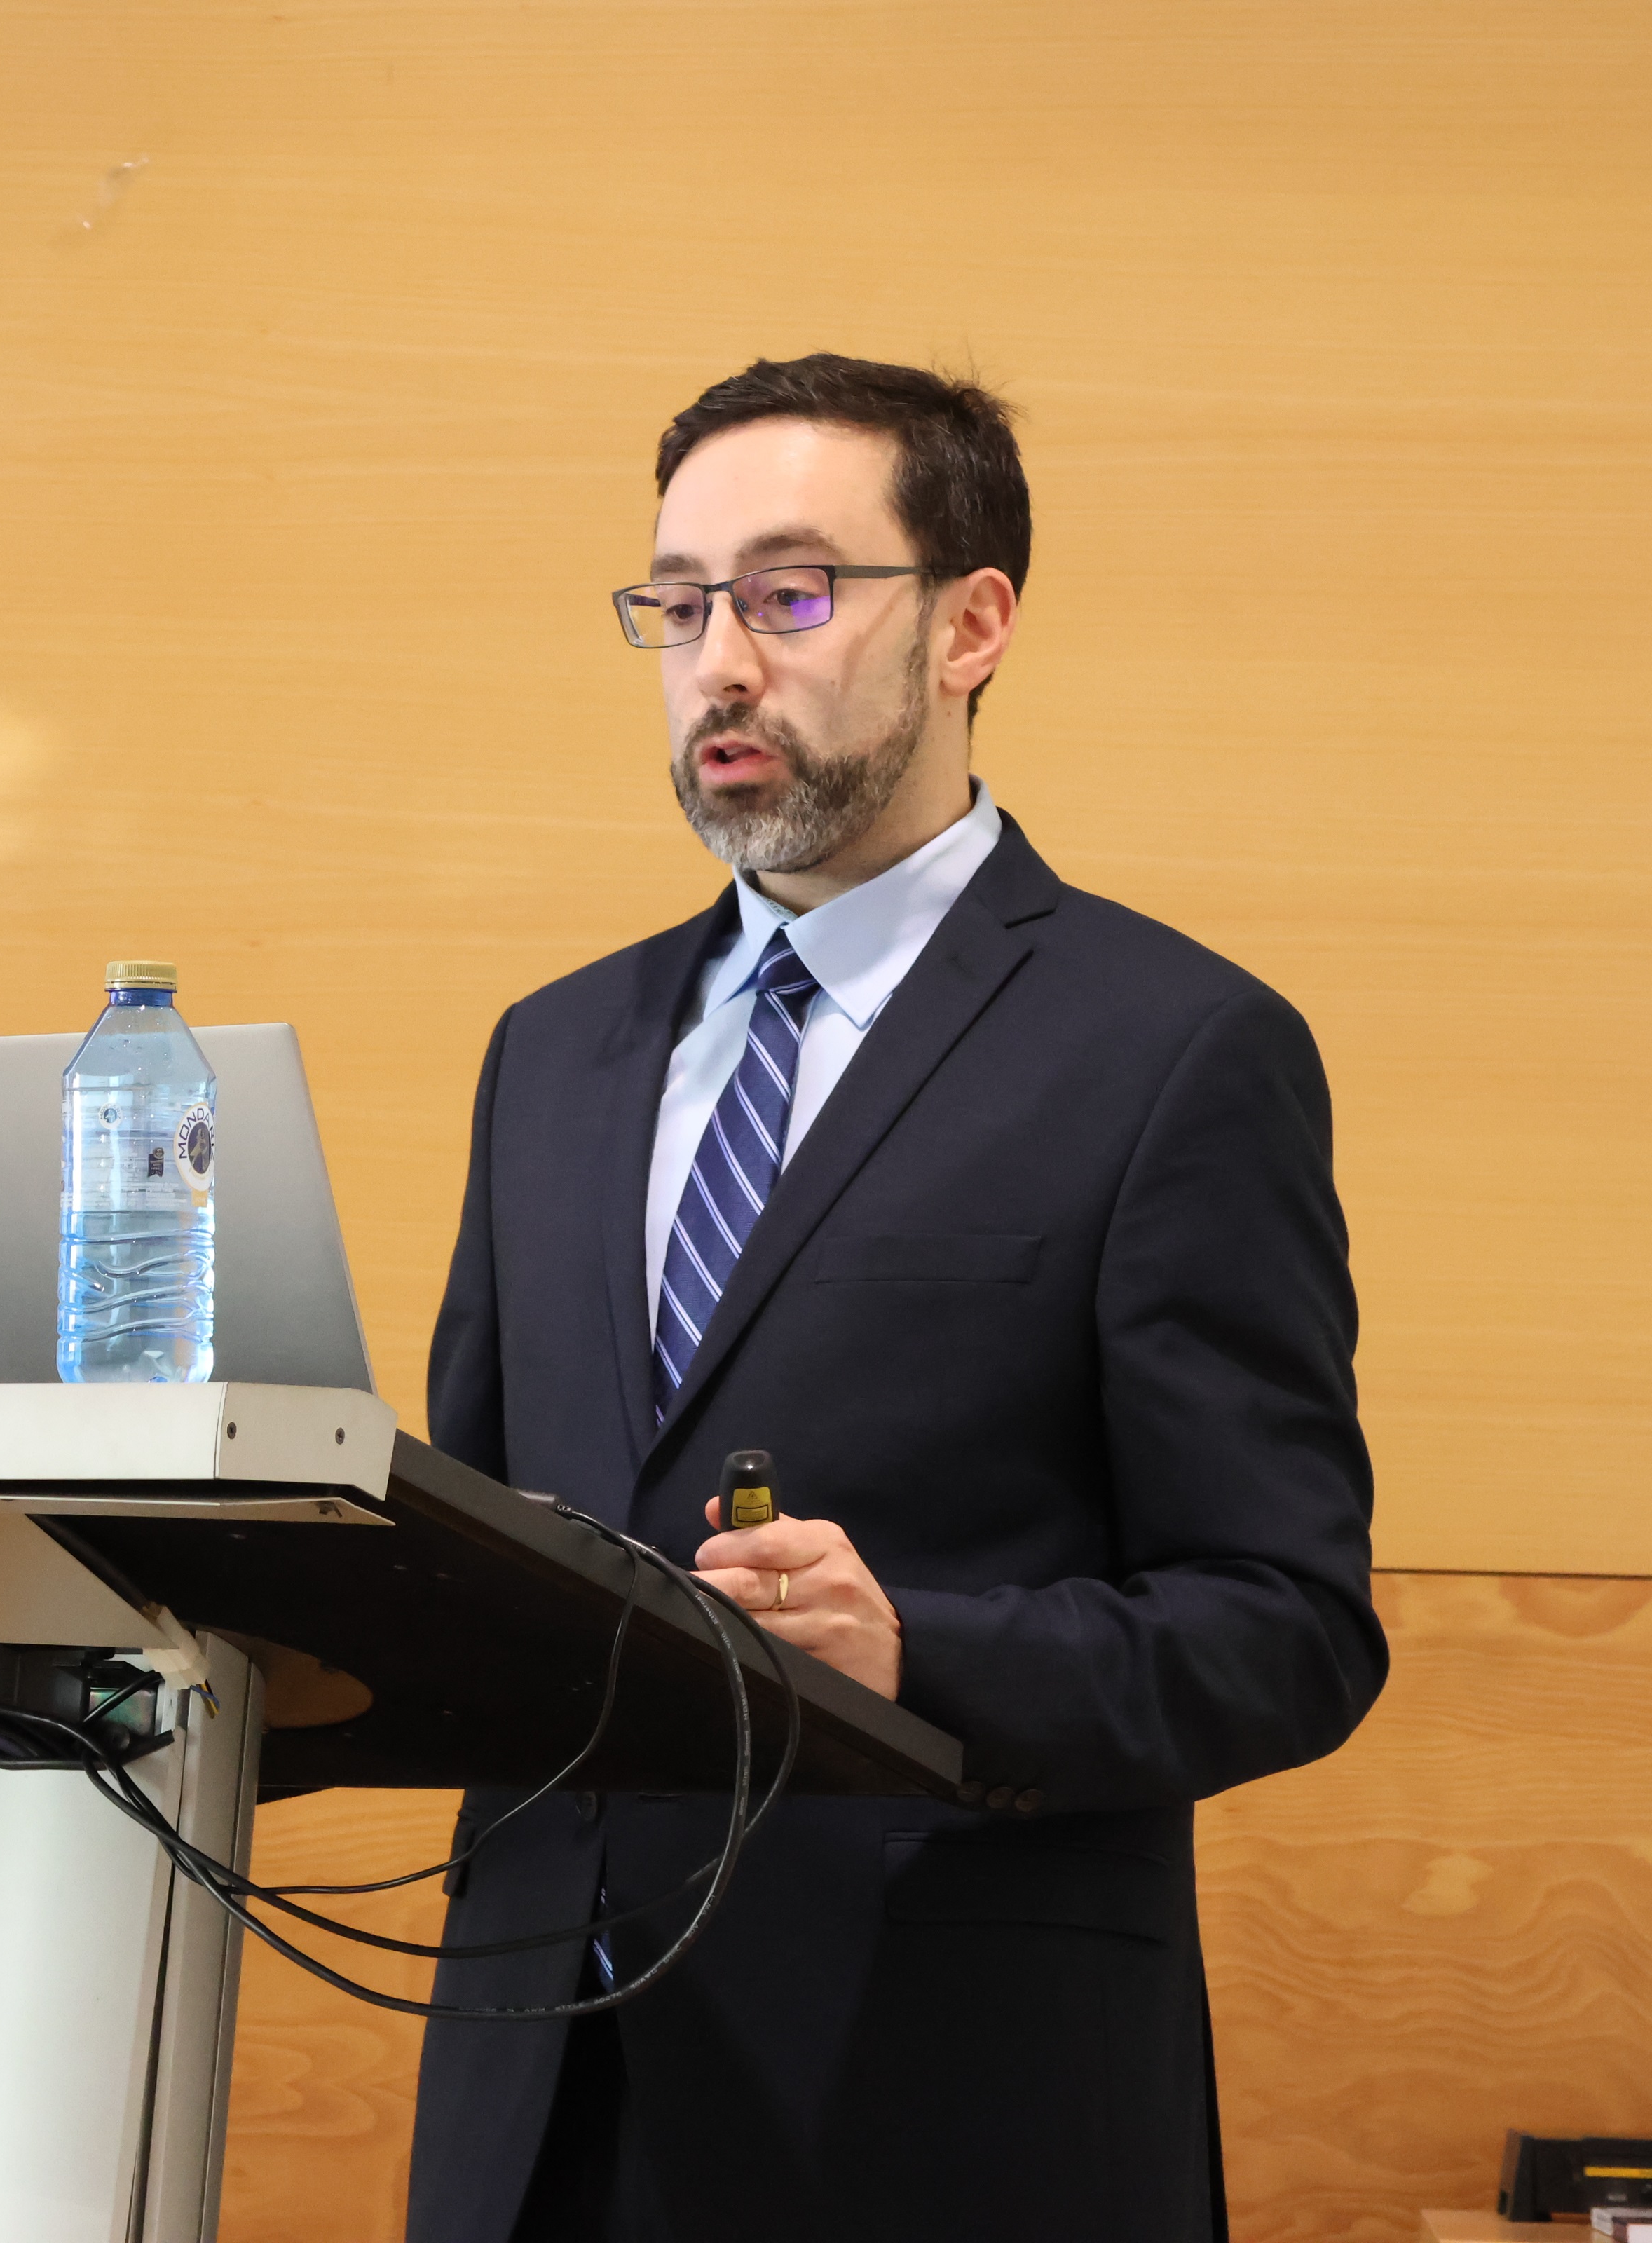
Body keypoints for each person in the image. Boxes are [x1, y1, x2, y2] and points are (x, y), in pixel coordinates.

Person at [404, 355, 1388, 2243]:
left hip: (946, 2106)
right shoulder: (554, 1053)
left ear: (970, 625)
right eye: (677, 606)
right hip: (537, 2098)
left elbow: (1289, 1627)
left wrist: (915, 1655)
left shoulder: (1172, 1051)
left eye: (789, 596)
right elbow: (499, 1533)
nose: (720, 665)